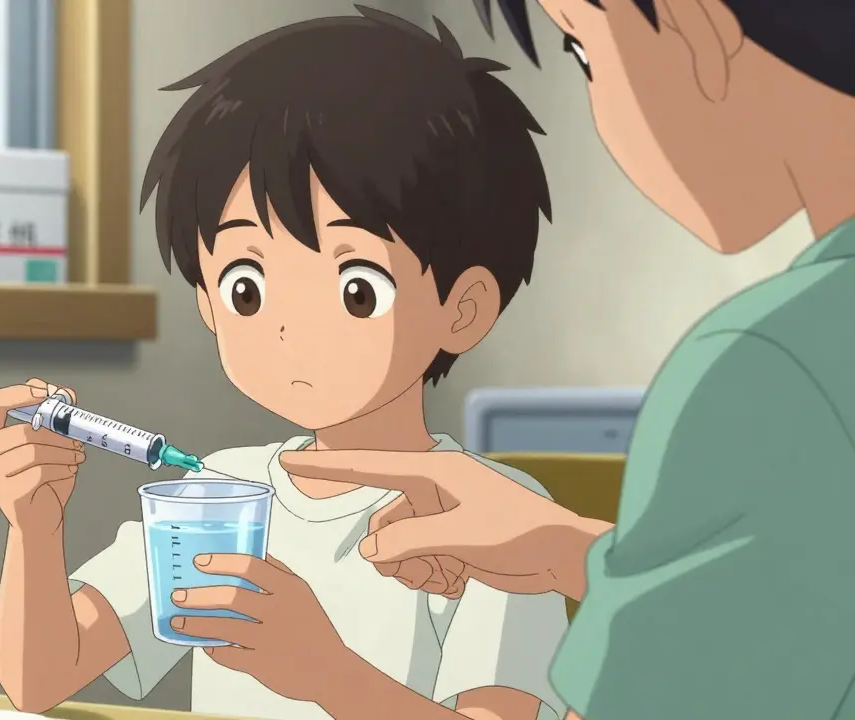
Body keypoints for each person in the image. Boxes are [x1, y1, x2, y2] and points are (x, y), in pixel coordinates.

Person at [0, 7, 572, 720]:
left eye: (357, 288)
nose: (291, 327)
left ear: (463, 307)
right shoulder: (218, 494)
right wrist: (35, 527)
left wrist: (326, 674)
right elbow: (41, 677)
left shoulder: (499, 522)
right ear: (207, 300)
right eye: (247, 287)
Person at [279, 1, 855, 718]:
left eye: (584, 50)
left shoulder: (771, 368)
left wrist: (329, 676)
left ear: (696, 26)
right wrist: (570, 551)